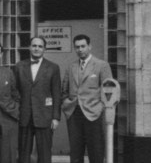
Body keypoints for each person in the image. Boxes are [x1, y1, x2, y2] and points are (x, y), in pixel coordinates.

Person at [61, 34, 113, 163]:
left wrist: (100, 107)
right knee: (76, 151)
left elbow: (108, 89)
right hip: (73, 112)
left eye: (83, 46)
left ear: (90, 46)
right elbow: (64, 89)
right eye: (77, 47)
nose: (80, 49)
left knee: (95, 150)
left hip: (93, 112)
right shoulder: (71, 66)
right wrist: (66, 103)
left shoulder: (102, 65)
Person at [15, 36, 61, 163]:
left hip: (45, 116)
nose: (37, 48)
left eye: (40, 46)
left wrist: (56, 117)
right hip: (24, 116)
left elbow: (57, 93)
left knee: (45, 153)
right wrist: (15, 113)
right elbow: (14, 92)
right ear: (29, 47)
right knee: (23, 153)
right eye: (34, 46)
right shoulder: (19, 66)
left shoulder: (53, 67)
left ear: (44, 49)